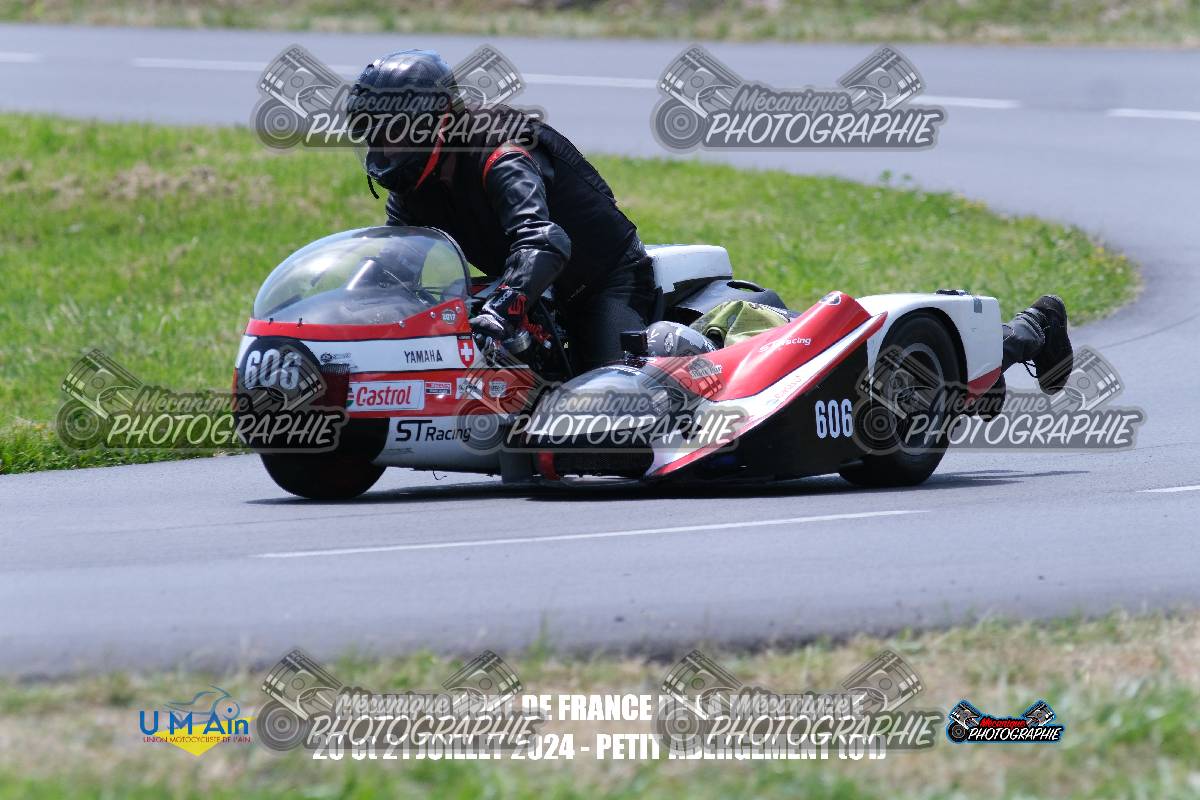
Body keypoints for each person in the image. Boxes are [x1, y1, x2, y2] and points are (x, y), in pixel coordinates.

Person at [347, 49, 1073, 390]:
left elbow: (544, 242)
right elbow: (402, 263)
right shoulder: (412, 182)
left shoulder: (500, 152)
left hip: (599, 282)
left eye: (398, 128)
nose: (385, 145)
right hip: (526, 294)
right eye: (375, 130)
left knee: (602, 406)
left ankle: (1024, 334)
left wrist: (503, 302)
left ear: (442, 120)